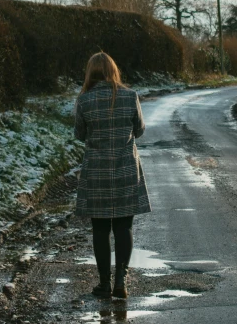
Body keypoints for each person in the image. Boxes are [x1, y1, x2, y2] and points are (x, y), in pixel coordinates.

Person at [73, 52, 151, 299]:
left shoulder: (84, 100)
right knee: (123, 225)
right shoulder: (130, 96)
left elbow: (79, 133)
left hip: (97, 172)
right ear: (113, 70)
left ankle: (104, 283)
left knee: (100, 228)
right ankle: (121, 280)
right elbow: (139, 130)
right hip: (126, 169)